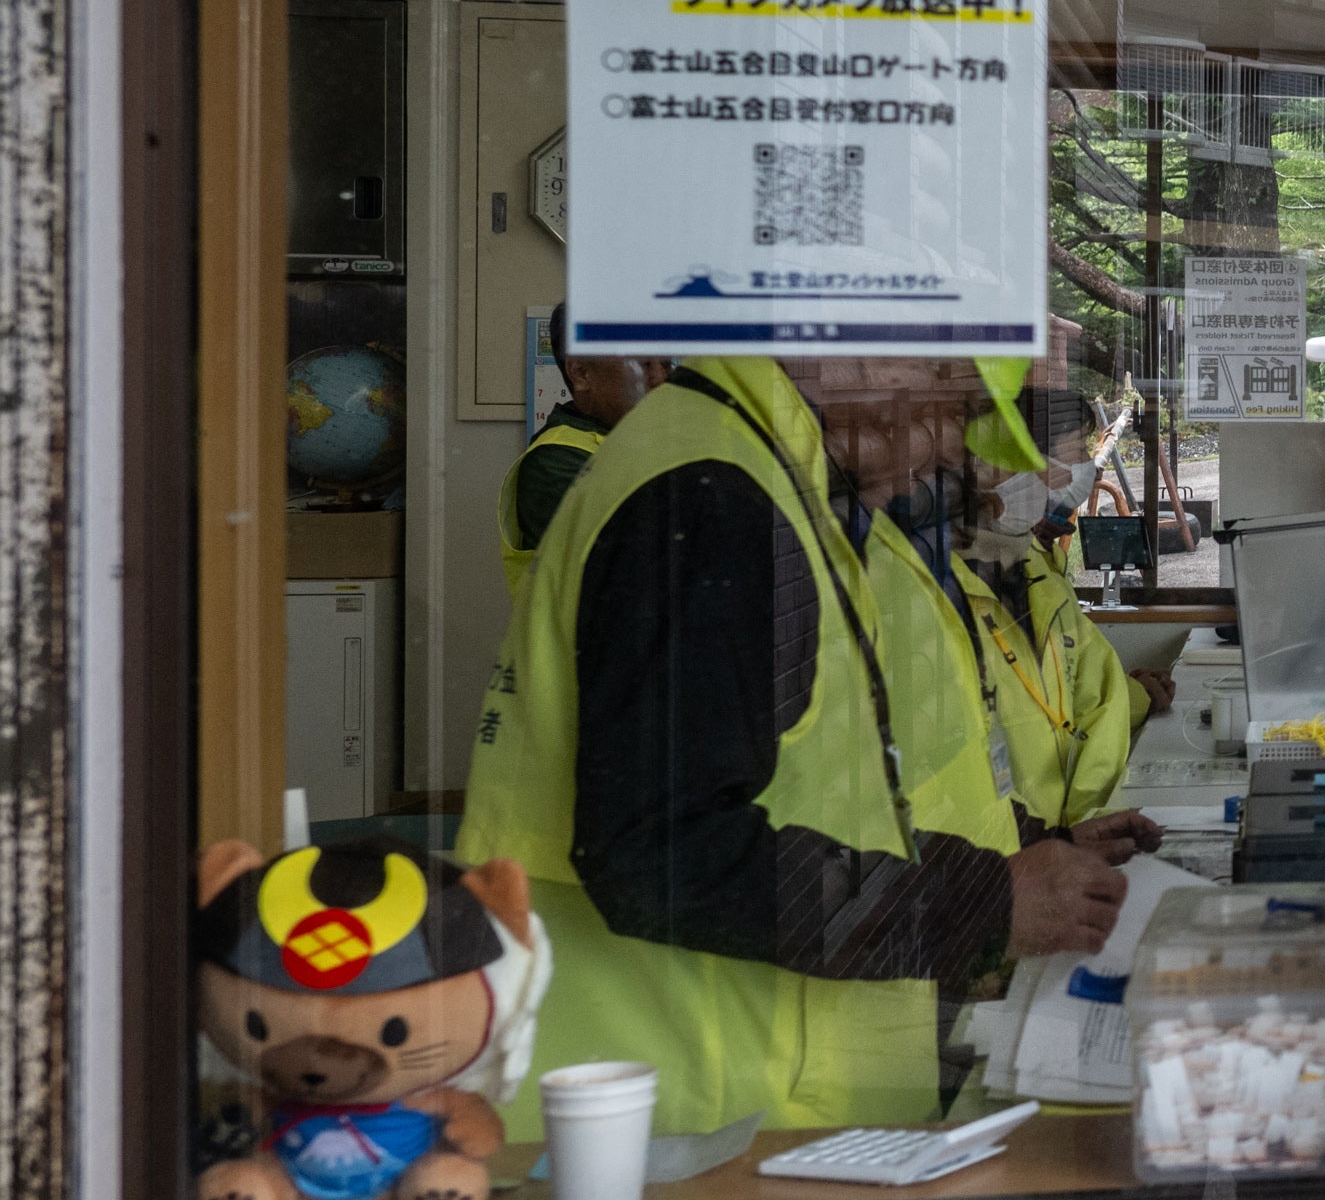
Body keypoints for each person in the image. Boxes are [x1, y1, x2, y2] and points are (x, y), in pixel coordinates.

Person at [461, 356, 1140, 1135]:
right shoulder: (714, 496)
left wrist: (1024, 848)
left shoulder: (782, 481)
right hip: (693, 1117)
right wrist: (983, 902)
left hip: (771, 1095)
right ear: (860, 357)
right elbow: (665, 844)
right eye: (948, 408)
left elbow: (855, 774)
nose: (951, 452)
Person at [956, 371, 1166, 839]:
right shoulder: (943, 591)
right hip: (1008, 860)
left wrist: (1140, 698)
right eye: (1062, 462)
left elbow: (1092, 689)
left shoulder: (1036, 576)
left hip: (1063, 839)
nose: (1069, 482)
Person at [498, 304, 669, 599]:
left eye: (666, 362)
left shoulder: (642, 442)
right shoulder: (556, 462)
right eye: (643, 363)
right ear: (581, 372)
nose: (660, 378)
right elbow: (645, 574)